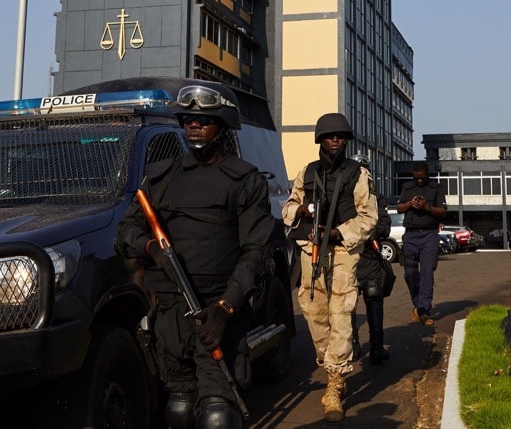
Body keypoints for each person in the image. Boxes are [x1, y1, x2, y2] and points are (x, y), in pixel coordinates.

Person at [115, 83, 273, 429]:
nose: (194, 126)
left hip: (219, 312)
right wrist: (151, 248)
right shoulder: (160, 177)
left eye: (204, 120)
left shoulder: (245, 180)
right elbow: (126, 232)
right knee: (180, 406)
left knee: (218, 412)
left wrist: (225, 309)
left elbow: (255, 253)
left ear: (224, 124)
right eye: (187, 120)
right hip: (171, 313)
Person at [281, 114, 377, 422]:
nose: (334, 140)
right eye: (329, 136)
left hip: (343, 252)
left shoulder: (357, 174)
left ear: (346, 139)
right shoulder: (306, 172)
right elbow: (286, 210)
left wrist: (335, 232)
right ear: (320, 139)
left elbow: (368, 219)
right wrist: (303, 210)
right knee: (313, 314)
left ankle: (335, 382)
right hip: (310, 252)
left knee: (341, 313)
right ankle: (329, 360)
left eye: (340, 136)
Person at [353, 162, 395, 365]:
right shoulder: (342, 196)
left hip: (369, 254)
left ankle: (377, 345)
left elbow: (384, 223)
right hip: (347, 254)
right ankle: (351, 343)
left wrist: (373, 232)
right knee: (346, 302)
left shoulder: (375, 197)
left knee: (374, 295)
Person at [396, 162, 447, 326]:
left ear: (426, 174)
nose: (418, 181)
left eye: (421, 178)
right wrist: (410, 204)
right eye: (416, 178)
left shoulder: (436, 187)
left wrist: (426, 206)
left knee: (427, 273)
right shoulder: (407, 187)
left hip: (429, 234)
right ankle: (419, 306)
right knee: (410, 273)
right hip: (410, 235)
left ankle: (424, 310)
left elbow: (443, 211)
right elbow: (399, 208)